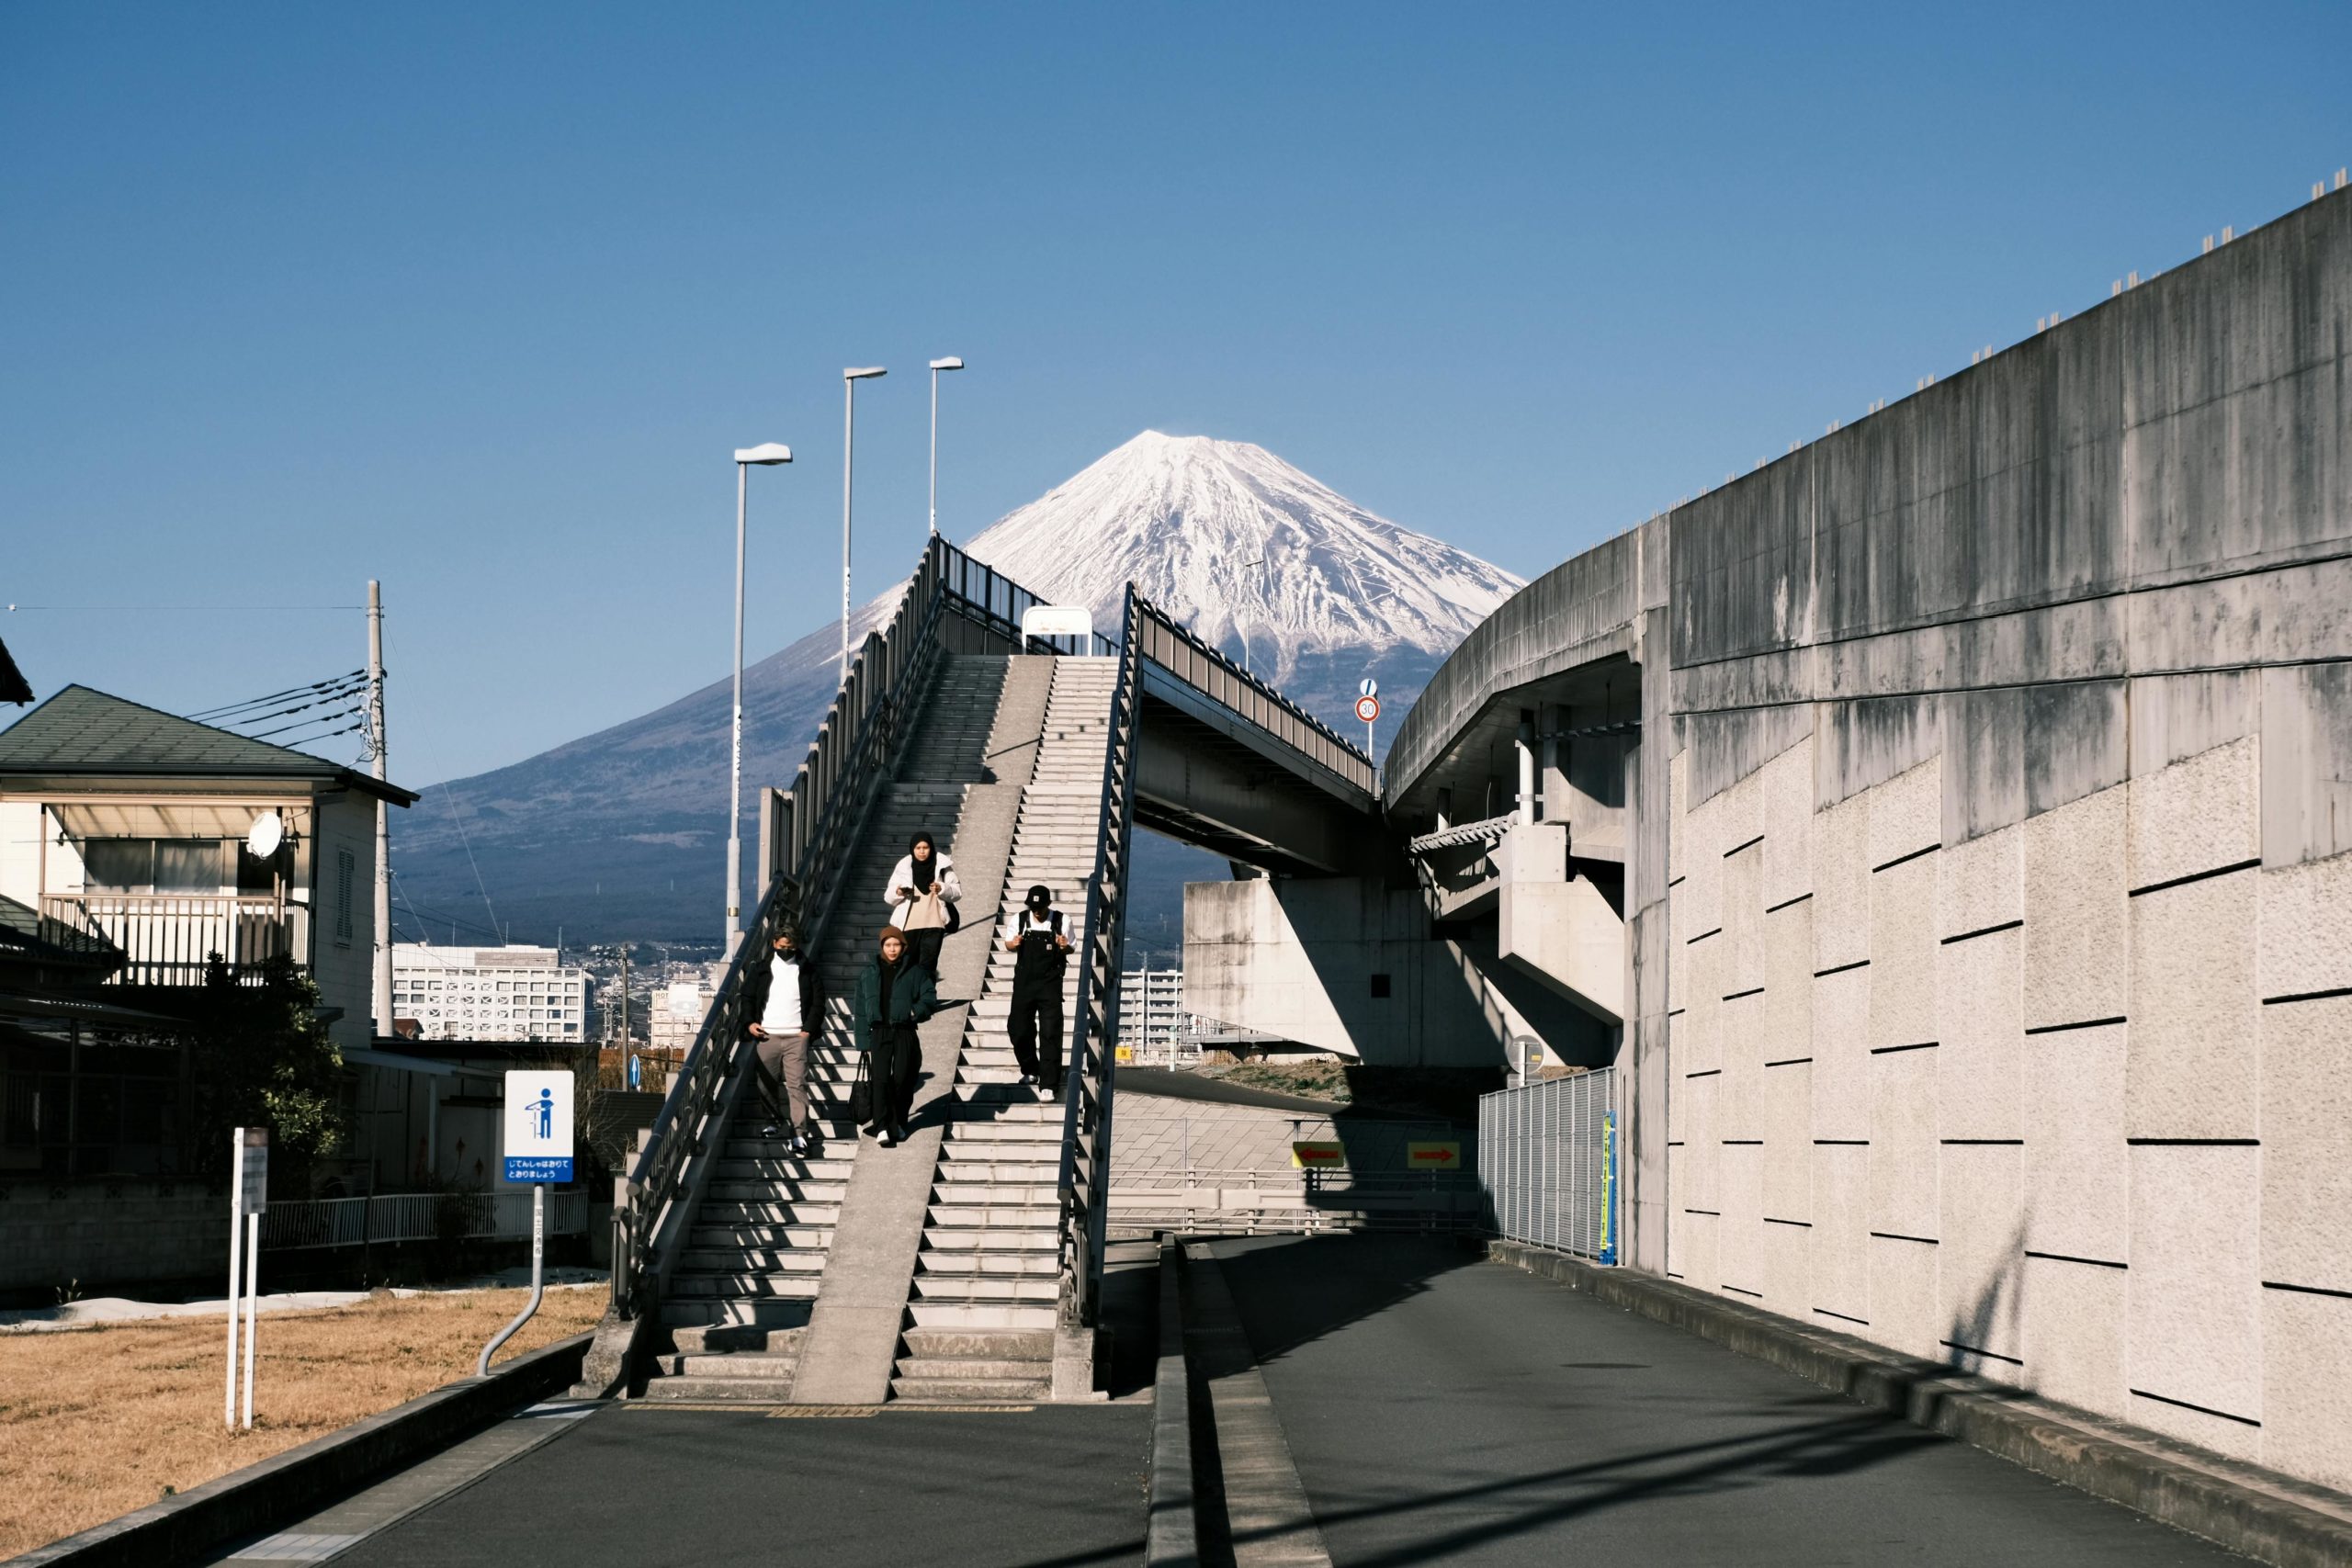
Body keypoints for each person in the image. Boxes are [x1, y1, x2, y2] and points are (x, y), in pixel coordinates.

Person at [740, 924, 826, 1154]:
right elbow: (747, 997)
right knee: (765, 1082)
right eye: (782, 946)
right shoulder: (761, 969)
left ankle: (799, 1133)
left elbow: (818, 1002)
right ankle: (772, 1120)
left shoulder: (807, 970)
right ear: (774, 944)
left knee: (797, 1083)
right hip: (767, 1034)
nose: (787, 950)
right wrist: (750, 1023)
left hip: (797, 1035)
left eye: (791, 947)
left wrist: (807, 1029)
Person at [850, 924, 938, 1146]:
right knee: (879, 1081)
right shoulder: (869, 973)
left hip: (905, 1031)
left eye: (896, 944)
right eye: (887, 945)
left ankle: (898, 1122)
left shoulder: (916, 972)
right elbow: (860, 1010)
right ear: (881, 947)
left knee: (903, 1079)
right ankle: (881, 1126)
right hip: (878, 1032)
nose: (892, 949)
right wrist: (862, 1041)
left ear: (903, 946)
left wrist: (914, 1012)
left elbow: (929, 998)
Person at [1003, 884, 1074, 1100]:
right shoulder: (1020, 920)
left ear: (1048, 905)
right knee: (1018, 1028)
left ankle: (1049, 1084)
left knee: (1050, 1032)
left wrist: (1063, 946)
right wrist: (1013, 944)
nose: (1037, 911)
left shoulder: (1062, 920)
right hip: (1024, 983)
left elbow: (1071, 946)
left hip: (1050, 983)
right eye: (1033, 907)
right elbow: (1008, 943)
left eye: (1041, 907)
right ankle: (1031, 1069)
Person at [882, 830, 960, 980]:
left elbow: (957, 892)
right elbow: (888, 897)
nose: (922, 851)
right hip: (908, 925)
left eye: (925, 847)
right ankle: (910, 999)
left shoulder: (942, 866)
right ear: (912, 849)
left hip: (934, 925)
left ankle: (926, 1000)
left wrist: (941, 888)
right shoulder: (904, 867)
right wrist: (898, 892)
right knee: (907, 965)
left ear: (931, 848)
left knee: (928, 966)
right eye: (918, 848)